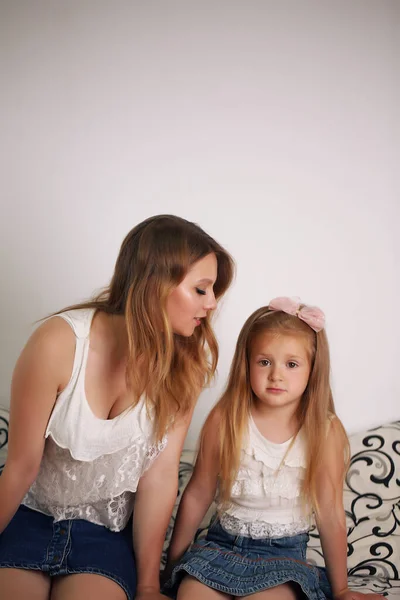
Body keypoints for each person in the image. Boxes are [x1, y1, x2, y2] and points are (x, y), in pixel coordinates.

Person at [0, 214, 234, 600]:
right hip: (30, 518)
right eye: (201, 289)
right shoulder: (58, 343)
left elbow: (158, 481)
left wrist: (147, 585)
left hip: (105, 535)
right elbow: (21, 467)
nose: (211, 304)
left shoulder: (184, 369)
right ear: (156, 284)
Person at [164, 297, 384, 600]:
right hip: (220, 547)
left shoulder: (324, 429)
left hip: (283, 557)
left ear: (312, 369)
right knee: (191, 596)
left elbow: (330, 513)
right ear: (247, 362)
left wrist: (342, 589)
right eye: (264, 361)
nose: (276, 374)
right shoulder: (226, 418)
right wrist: (171, 570)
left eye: (291, 364)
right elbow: (198, 493)